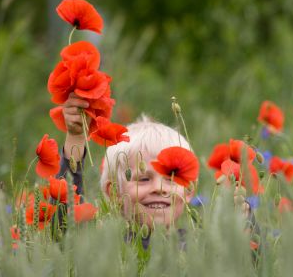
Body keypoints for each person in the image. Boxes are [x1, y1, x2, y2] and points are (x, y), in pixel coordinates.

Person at [59, 93, 259, 254]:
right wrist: (76, 138)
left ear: (189, 190)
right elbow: (64, 227)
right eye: (144, 179)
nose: (159, 188)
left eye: (170, 178)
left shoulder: (201, 247)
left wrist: (243, 220)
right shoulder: (105, 247)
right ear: (114, 193)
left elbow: (255, 264)